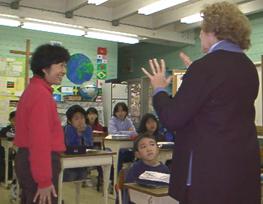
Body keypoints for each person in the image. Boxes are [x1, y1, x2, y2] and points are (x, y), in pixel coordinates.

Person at [142, 2, 260, 204]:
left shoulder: (205, 68)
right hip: (241, 171)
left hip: (207, 175)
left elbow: (173, 118)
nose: (199, 36)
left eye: (201, 30)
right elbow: (218, 107)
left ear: (213, 31)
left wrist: (160, 89)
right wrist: (195, 77)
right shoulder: (249, 68)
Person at [14, 44, 70, 204]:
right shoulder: (41, 95)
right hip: (39, 163)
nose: (64, 71)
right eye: (60, 65)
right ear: (45, 67)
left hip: (31, 161)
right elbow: (40, 141)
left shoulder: (35, 90)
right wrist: (44, 180)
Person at [63, 104, 93, 182]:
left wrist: (83, 135)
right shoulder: (68, 129)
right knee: (72, 175)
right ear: (70, 121)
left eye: (82, 118)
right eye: (76, 118)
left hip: (83, 161)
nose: (80, 121)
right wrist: (79, 134)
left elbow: (89, 145)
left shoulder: (88, 128)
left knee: (82, 175)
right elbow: (71, 145)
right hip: (69, 162)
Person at [108, 102, 137, 173]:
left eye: (122, 110)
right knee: (119, 155)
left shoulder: (128, 120)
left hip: (126, 148)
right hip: (113, 148)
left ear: (126, 111)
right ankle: (116, 178)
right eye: (118, 111)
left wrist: (120, 132)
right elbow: (113, 133)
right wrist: (127, 132)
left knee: (137, 153)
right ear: (115, 112)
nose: (120, 113)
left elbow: (134, 133)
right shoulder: (112, 120)